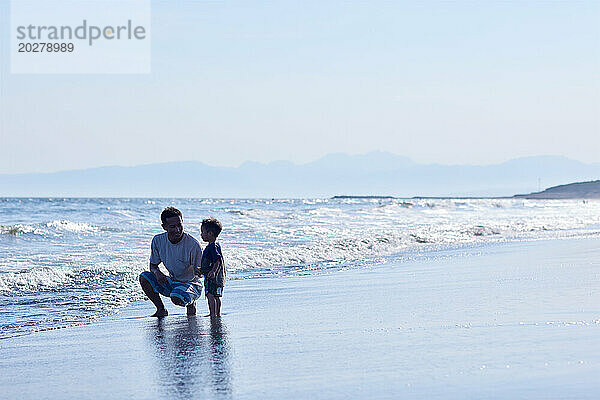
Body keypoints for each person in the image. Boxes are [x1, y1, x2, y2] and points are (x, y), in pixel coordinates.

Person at [139, 207, 203, 317]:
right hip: (172, 282)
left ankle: (191, 303)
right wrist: (157, 273)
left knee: (177, 297)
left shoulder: (193, 244)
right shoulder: (158, 240)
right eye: (173, 227)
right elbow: (153, 265)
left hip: (191, 284)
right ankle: (161, 309)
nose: (177, 230)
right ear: (164, 227)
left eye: (179, 225)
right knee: (144, 277)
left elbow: (201, 272)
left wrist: (200, 271)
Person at [200, 218, 225, 318]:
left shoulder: (212, 247)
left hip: (213, 277)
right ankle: (217, 313)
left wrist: (213, 272)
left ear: (210, 233)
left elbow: (217, 260)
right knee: (216, 296)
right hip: (217, 276)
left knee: (210, 295)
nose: (201, 234)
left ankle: (213, 314)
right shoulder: (215, 245)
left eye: (203, 232)